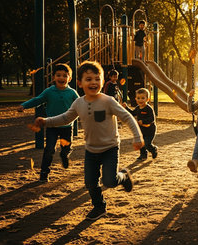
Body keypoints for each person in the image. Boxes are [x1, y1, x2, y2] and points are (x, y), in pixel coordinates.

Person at [34, 61, 144, 221]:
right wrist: (46, 121)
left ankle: (124, 176)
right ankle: (99, 206)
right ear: (79, 83)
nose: (93, 82)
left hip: (110, 148)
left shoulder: (108, 101)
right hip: (91, 150)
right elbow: (65, 118)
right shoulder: (79, 103)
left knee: (110, 181)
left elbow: (126, 116)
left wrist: (137, 136)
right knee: (90, 182)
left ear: (101, 81)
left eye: (97, 79)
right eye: (88, 79)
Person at [17, 63, 79, 182]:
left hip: (67, 126)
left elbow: (81, 104)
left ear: (69, 78)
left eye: (65, 76)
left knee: (66, 148)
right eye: (58, 75)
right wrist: (24, 105)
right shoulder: (49, 91)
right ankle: (44, 173)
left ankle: (64, 156)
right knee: (49, 149)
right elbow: (38, 100)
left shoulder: (72, 93)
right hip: (52, 125)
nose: (61, 78)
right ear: (54, 77)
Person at [122, 88, 158, 161]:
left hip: (150, 130)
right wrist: (126, 108)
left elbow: (152, 119)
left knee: (147, 144)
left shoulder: (148, 109)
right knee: (141, 143)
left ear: (147, 99)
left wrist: (143, 121)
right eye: (138, 98)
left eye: (142, 98)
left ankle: (153, 149)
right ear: (135, 99)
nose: (140, 100)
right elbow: (132, 113)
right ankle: (143, 155)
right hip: (141, 129)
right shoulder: (138, 108)